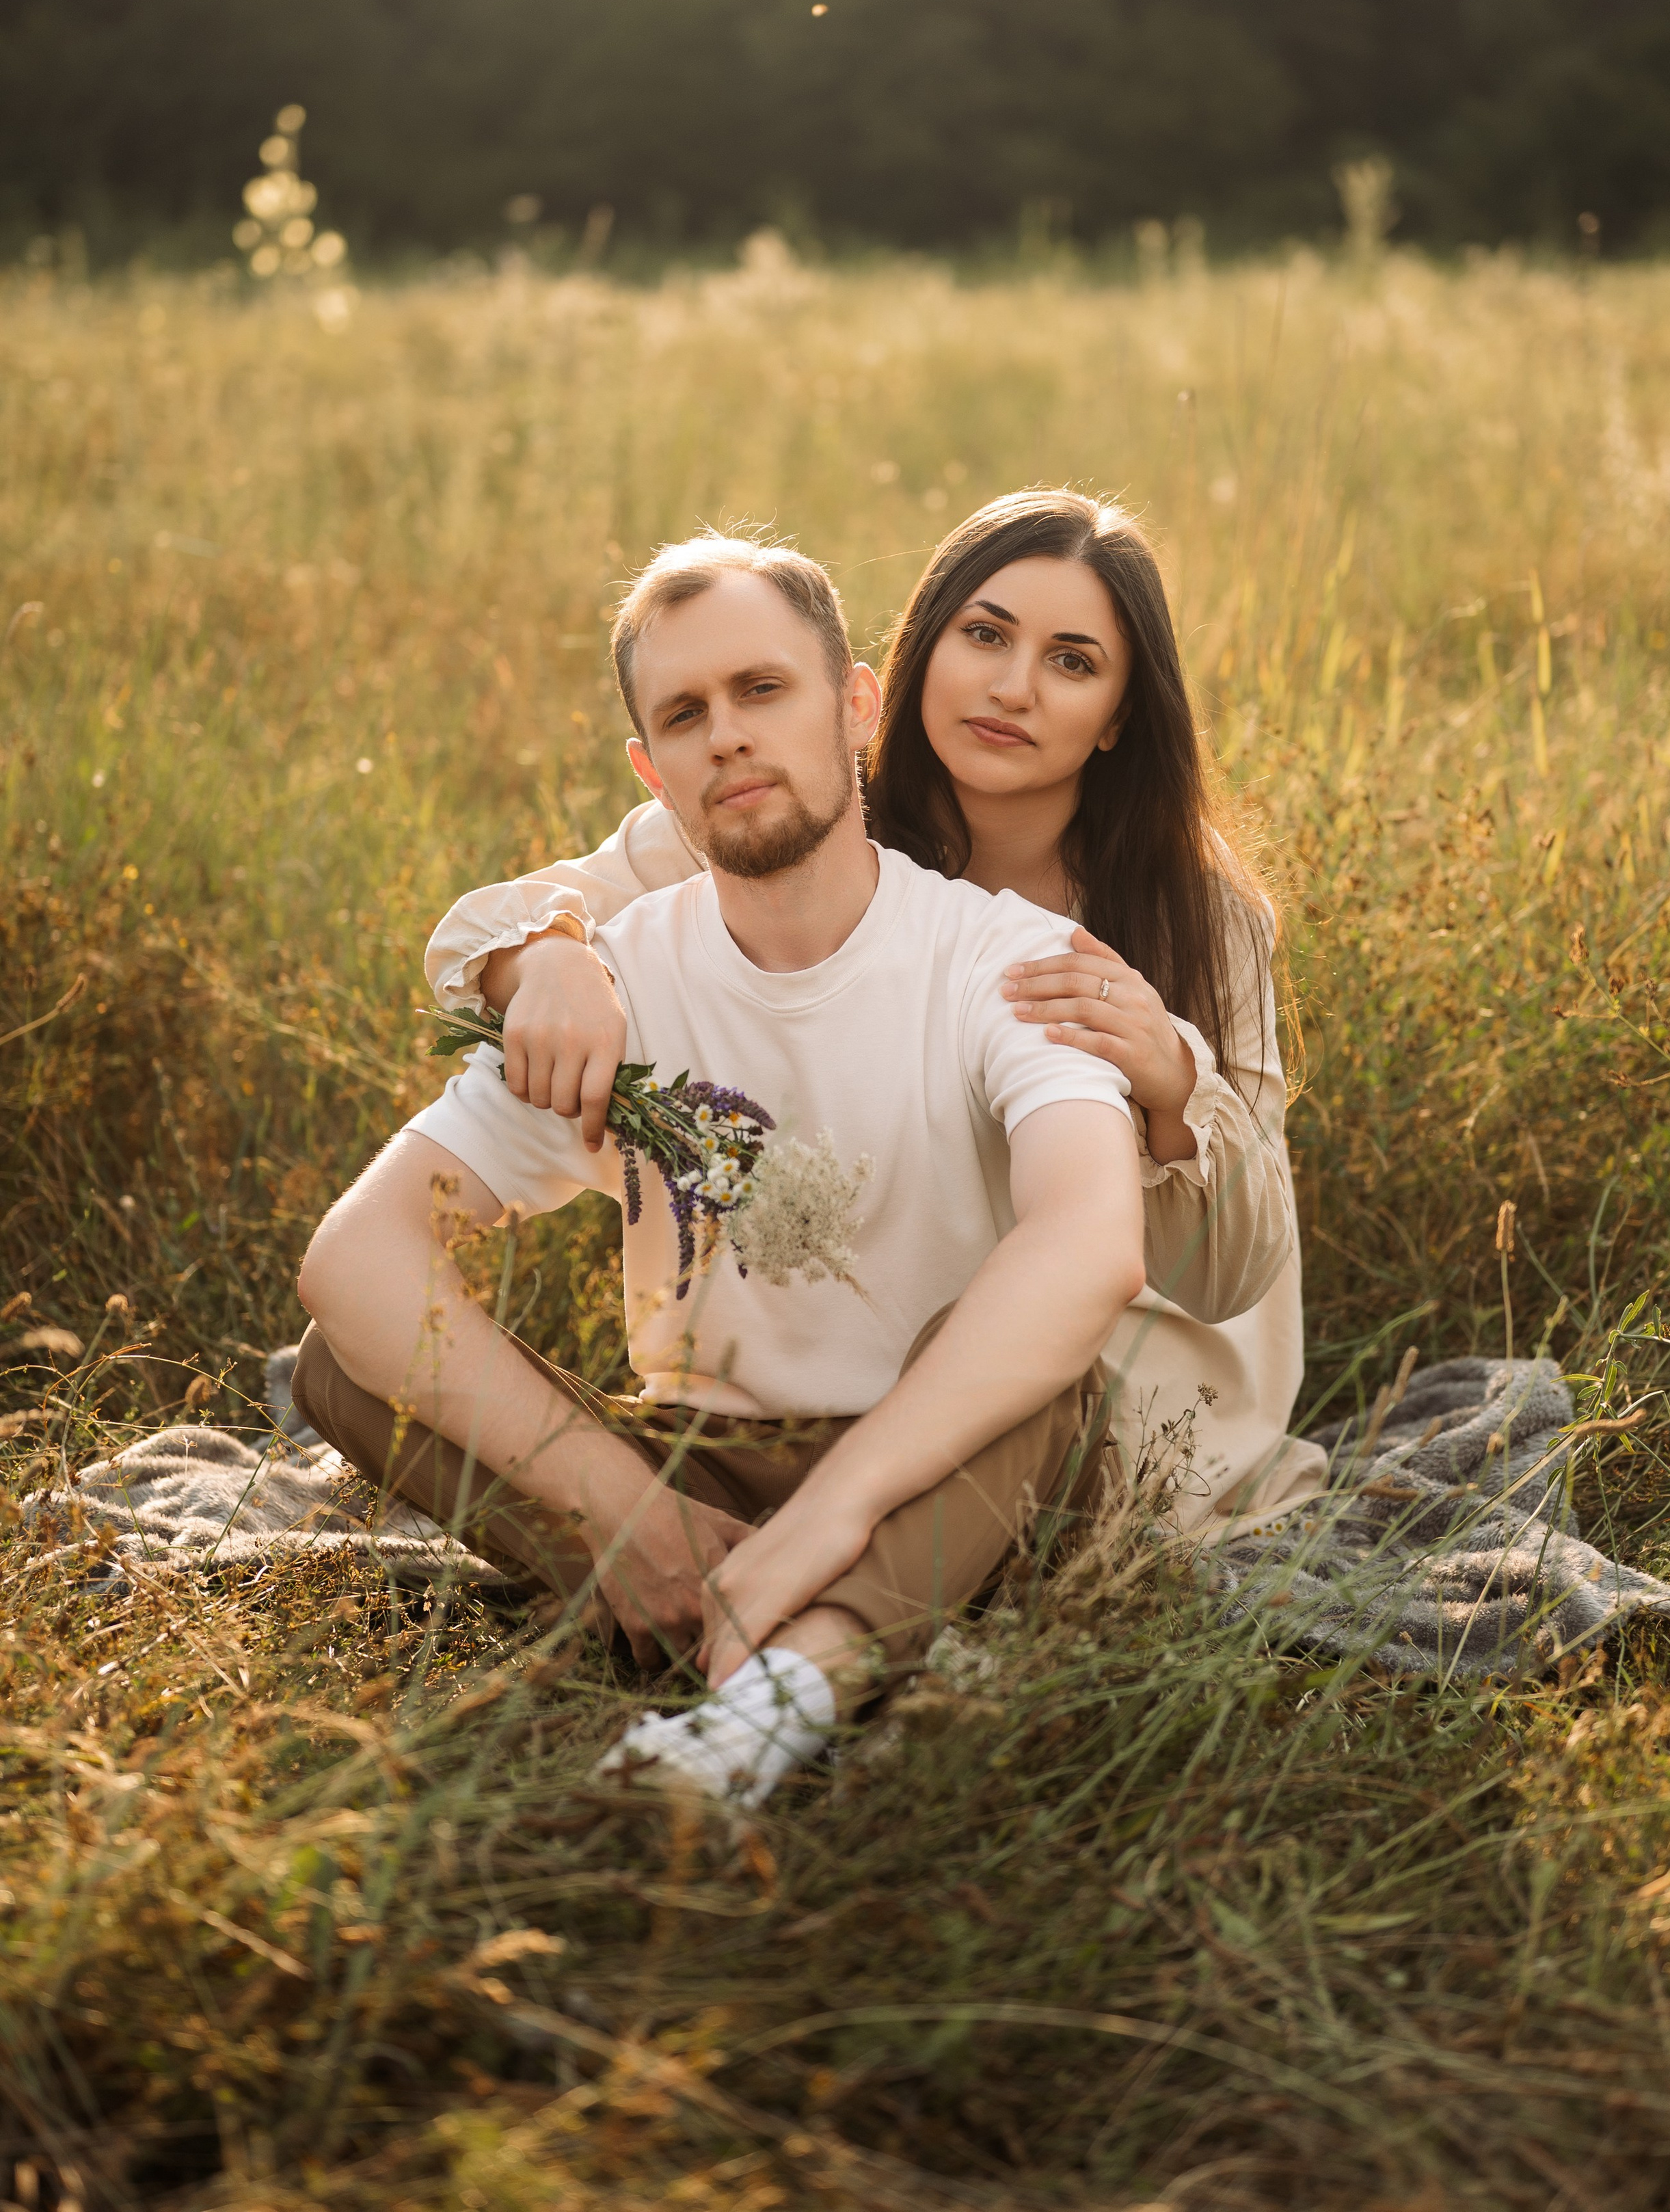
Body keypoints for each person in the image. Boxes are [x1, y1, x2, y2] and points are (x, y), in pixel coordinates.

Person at [294, 533, 1148, 1808]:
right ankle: (705, 1600)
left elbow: (1093, 1244)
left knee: (1050, 1386)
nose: (728, 738)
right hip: (700, 1464)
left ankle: (765, 1703)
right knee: (344, 1367)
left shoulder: (1003, 959)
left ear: (856, 707)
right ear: (652, 770)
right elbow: (353, 1260)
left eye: (763, 691)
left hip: (941, 1472)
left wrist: (833, 1514)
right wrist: (632, 1515)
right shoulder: (611, 984)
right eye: (685, 715)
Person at [429, 491, 1326, 1536]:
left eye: (1073, 662)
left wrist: (1172, 1081)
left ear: (1121, 714)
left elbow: (1234, 1269)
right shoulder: (805, 814)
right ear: (915, 650)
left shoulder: (1194, 913)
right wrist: (549, 959)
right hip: (843, 1347)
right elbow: (482, 927)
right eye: (983, 634)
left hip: (1110, 1372)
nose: (1012, 687)